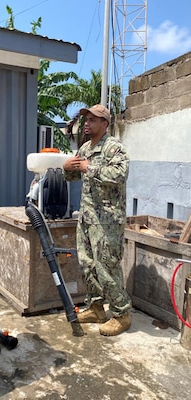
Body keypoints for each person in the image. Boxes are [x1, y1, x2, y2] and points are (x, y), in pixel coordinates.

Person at [63, 104, 131, 337]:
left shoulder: (114, 148)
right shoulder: (84, 148)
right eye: (86, 119)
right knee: (88, 264)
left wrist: (88, 167)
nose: (87, 124)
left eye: (93, 120)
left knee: (107, 267)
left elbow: (119, 175)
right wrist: (67, 168)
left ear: (105, 124)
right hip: (87, 217)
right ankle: (96, 307)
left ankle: (121, 314)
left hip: (108, 221)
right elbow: (74, 174)